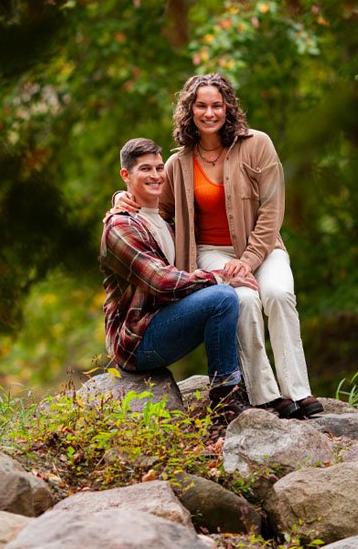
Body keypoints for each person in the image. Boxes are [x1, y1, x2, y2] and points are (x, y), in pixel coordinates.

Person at [115, 74, 322, 419]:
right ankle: (266, 396)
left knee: (278, 294)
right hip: (211, 251)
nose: (209, 112)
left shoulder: (258, 144)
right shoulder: (177, 165)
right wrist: (122, 197)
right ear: (189, 111)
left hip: (264, 246)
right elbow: (156, 209)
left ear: (228, 107)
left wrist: (249, 258)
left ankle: (298, 390)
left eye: (216, 104)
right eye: (201, 105)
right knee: (243, 300)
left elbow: (273, 208)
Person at [102, 137, 252, 421]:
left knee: (231, 299)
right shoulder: (121, 226)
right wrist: (220, 278)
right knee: (222, 297)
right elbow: (161, 281)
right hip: (136, 339)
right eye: (145, 169)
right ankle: (225, 400)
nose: (156, 175)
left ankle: (244, 388)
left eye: (160, 168)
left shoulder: (165, 221)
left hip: (164, 321)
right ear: (126, 175)